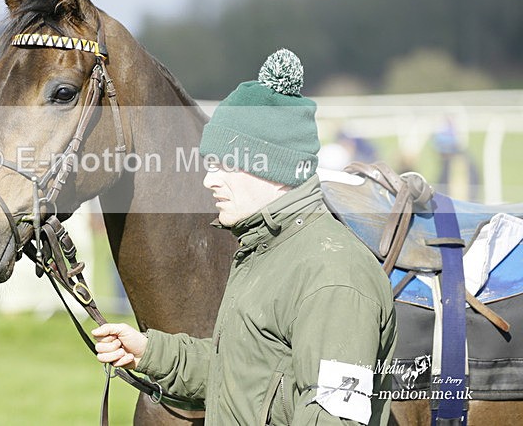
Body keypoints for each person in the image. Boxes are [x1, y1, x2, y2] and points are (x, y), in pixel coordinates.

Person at [92, 49, 397, 425]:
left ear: (271, 167)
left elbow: (335, 417)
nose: (209, 180)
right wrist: (152, 352)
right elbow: (240, 373)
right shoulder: (263, 250)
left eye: (223, 164)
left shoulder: (335, 278)